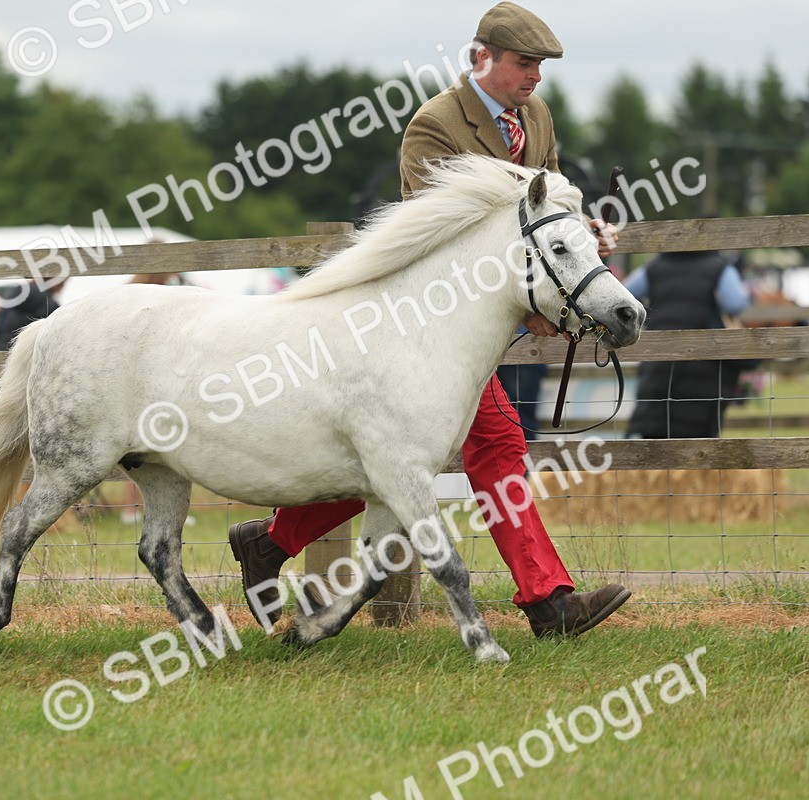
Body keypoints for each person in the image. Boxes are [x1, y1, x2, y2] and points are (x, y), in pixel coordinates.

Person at [228, 2, 631, 638]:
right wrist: (531, 301)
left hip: (490, 319)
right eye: (524, 64)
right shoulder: (434, 126)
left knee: (388, 460)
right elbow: (441, 240)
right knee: (486, 447)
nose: (535, 78)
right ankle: (549, 604)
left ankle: (271, 544)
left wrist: (582, 239)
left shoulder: (537, 116)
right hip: (430, 321)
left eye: (541, 68)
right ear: (482, 58)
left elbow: (547, 206)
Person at [623, 250, 752, 439]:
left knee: (655, 428)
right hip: (704, 362)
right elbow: (735, 304)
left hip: (658, 358)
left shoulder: (654, 266)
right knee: (698, 436)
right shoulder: (720, 268)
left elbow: (625, 294)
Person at [0, 278, 66, 409]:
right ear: (56, 282)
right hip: (22, 362)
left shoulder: (18, 294)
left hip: (1, 353)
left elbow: (2, 326)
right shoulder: (51, 306)